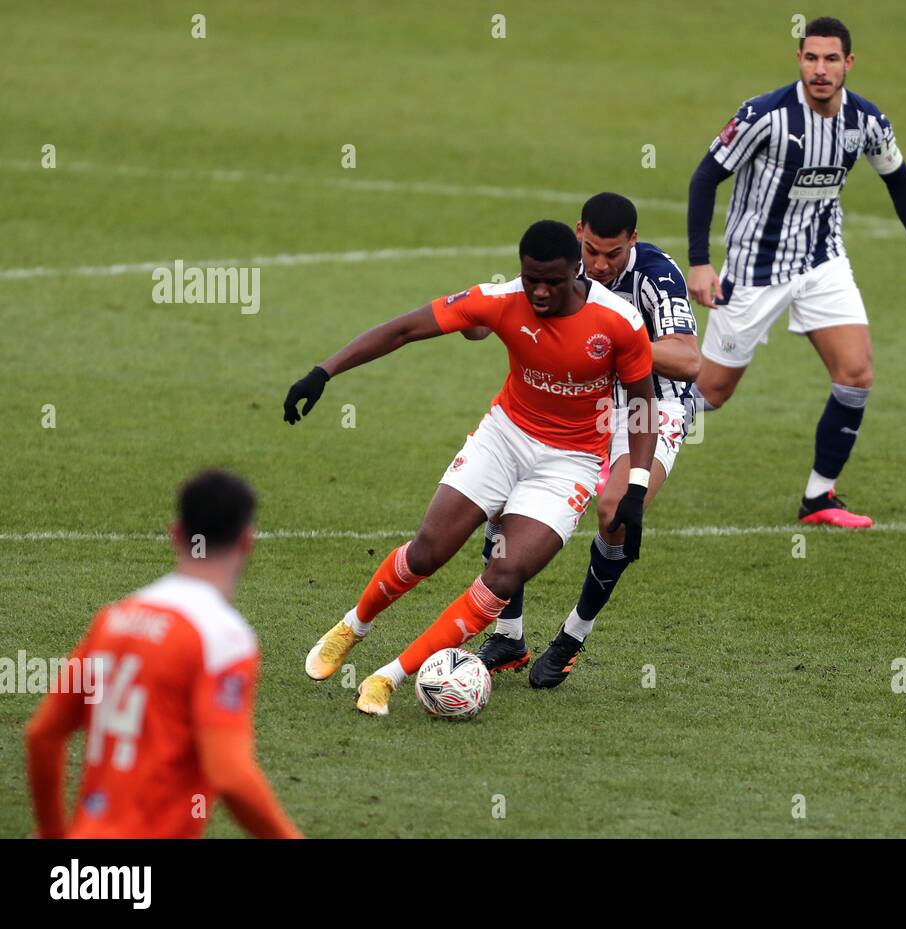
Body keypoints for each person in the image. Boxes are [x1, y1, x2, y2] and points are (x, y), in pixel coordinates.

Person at [286, 220, 657, 715]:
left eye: (552, 282)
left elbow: (643, 404)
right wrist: (324, 371)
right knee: (427, 552)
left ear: (576, 271)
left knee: (505, 574)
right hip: (503, 438)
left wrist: (635, 486)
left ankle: (388, 677)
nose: (540, 292)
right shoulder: (501, 299)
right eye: (531, 279)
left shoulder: (618, 321)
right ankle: (353, 626)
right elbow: (403, 329)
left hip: (570, 462)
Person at [685, 15, 906, 527]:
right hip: (755, 268)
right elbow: (705, 177)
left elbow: (900, 181)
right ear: (799, 61)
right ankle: (612, 429)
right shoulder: (764, 115)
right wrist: (699, 262)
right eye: (811, 58)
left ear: (849, 63)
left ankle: (819, 497)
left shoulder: (866, 121)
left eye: (831, 59)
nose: (820, 69)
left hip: (822, 262)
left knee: (856, 373)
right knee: (709, 393)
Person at [470, 193, 701, 687]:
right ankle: (508, 636)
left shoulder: (657, 275)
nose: (599, 264)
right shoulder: (561, 267)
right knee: (501, 499)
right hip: (577, 400)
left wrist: (623, 340)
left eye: (613, 254)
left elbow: (688, 360)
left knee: (615, 511)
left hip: (649, 406)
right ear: (579, 234)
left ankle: (573, 635)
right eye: (591, 250)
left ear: (633, 241)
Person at [25, 470, 301, 838]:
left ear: (176, 534)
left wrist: (51, 830)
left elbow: (42, 734)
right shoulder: (223, 637)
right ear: (247, 540)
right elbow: (230, 775)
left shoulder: (114, 619)